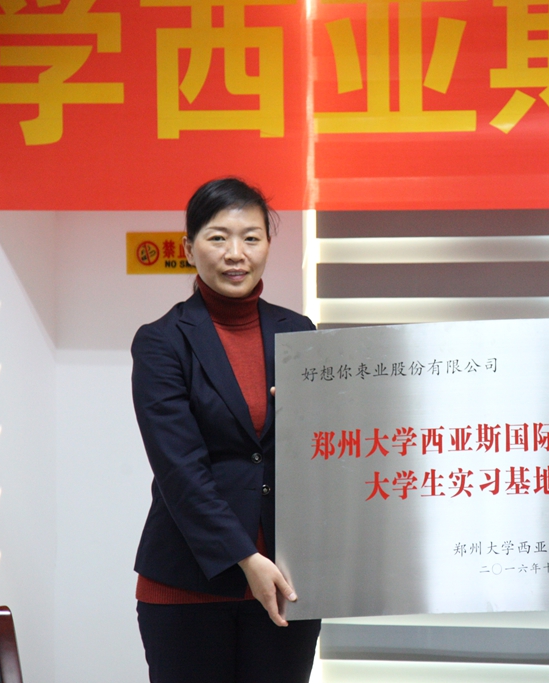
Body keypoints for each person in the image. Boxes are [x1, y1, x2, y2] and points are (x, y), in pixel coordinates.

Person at [131, 177, 321, 683]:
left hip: (286, 581)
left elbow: (325, 452)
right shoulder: (161, 342)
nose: (236, 253)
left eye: (251, 238)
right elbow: (180, 471)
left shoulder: (298, 332)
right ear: (188, 247)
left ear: (268, 245)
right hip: (189, 585)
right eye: (218, 238)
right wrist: (245, 557)